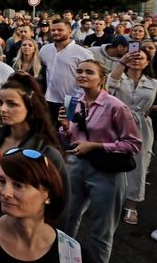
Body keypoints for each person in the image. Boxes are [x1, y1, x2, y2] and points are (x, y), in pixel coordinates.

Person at [58, 59, 141, 263]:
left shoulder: (116, 106)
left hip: (105, 171)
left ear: (102, 78)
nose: (82, 75)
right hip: (76, 165)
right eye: (79, 71)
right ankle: (64, 257)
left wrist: (97, 146)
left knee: (101, 229)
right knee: (67, 218)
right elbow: (68, 138)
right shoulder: (75, 101)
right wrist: (65, 127)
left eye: (89, 72)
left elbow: (133, 144)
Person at [0, 72, 70, 231]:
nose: (3, 109)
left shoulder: (47, 153)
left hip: (21, 228)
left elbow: (60, 202)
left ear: (30, 107)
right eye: (1, 103)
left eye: (12, 104)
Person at [0, 149, 81, 263]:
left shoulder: (71, 254)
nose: (5, 193)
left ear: (48, 194)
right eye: (2, 181)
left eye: (19, 185)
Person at [107, 48, 156, 225]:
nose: (136, 59)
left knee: (139, 165)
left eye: (140, 57)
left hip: (141, 126)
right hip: (117, 123)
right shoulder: (119, 76)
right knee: (113, 161)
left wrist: (150, 109)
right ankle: (110, 200)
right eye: (133, 56)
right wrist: (122, 63)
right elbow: (109, 86)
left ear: (147, 62)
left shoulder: (153, 82)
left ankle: (131, 205)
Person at [39, 19, 93, 124]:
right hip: (46, 101)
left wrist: (77, 100)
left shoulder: (83, 53)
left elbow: (89, 79)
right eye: (53, 30)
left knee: (68, 133)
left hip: (70, 101)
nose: (55, 32)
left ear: (70, 31)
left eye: (60, 30)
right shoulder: (44, 50)